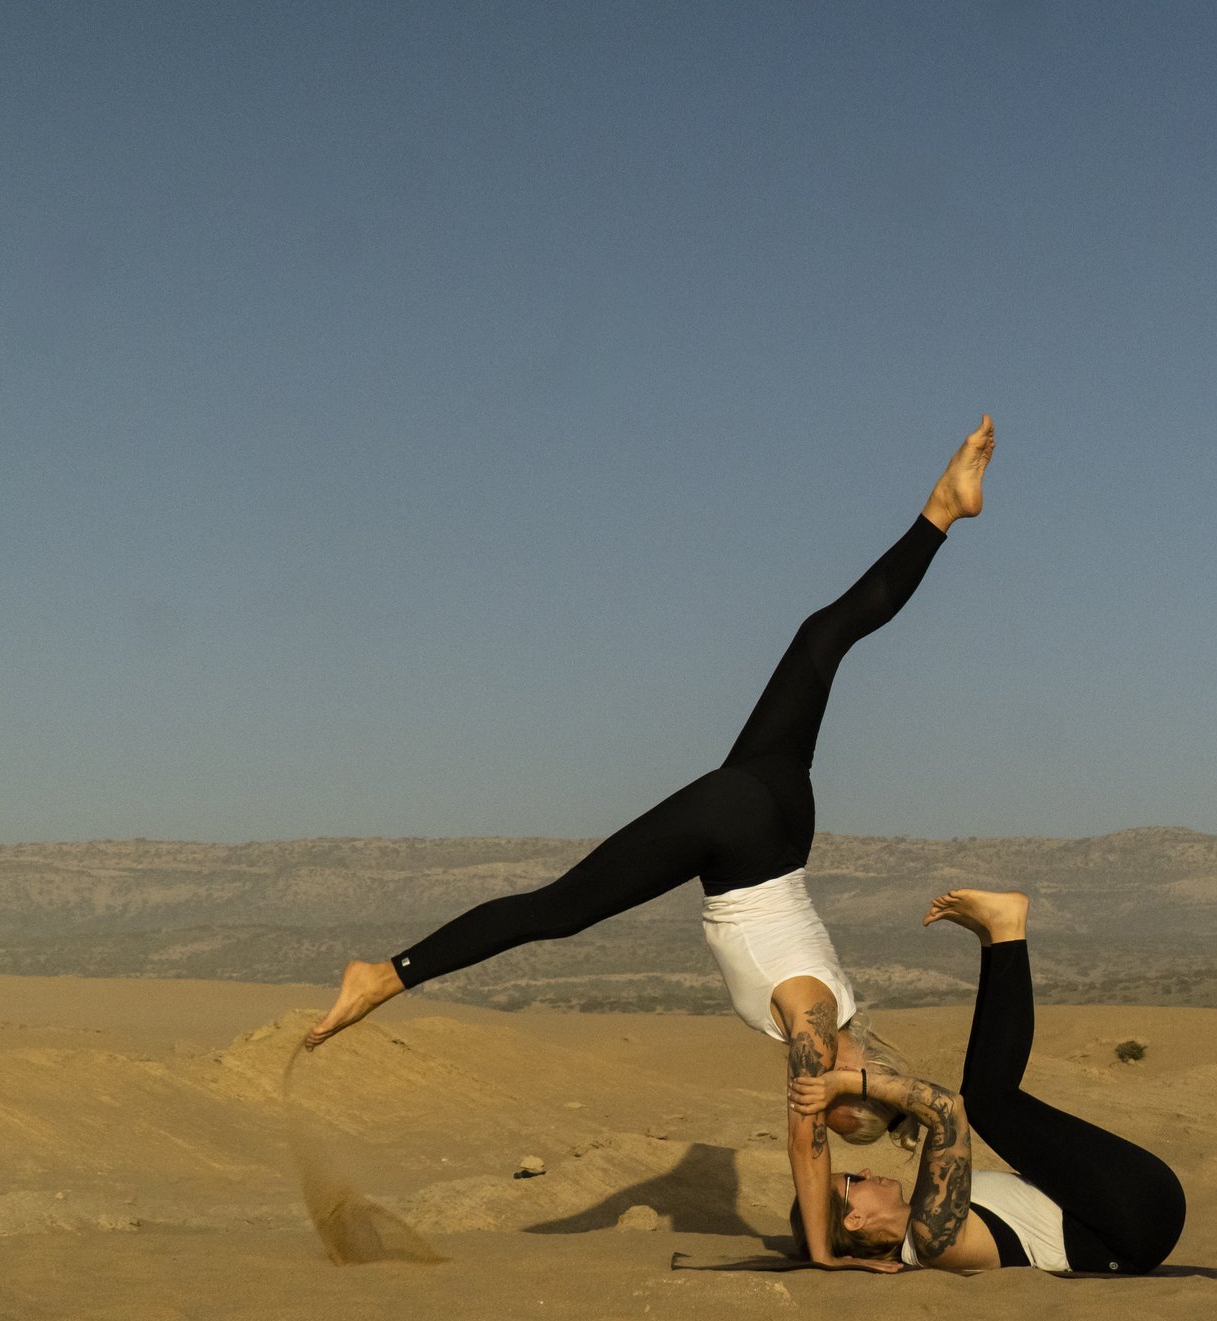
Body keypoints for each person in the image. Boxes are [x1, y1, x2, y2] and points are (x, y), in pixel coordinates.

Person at [301, 418, 997, 1270]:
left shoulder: (838, 1011)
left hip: (781, 816)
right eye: (841, 1119)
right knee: (557, 910)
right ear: (849, 1100)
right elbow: (804, 1139)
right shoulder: (815, 1023)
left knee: (825, 636)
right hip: (742, 837)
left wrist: (888, 1105)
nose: (820, 1111)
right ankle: (384, 975)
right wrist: (821, 1249)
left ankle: (941, 508)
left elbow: (856, 1110)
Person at [787, 889, 1186, 1274]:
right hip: (1132, 1225)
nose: (866, 1171)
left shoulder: (926, 1212)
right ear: (854, 1220)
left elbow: (946, 1109)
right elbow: (947, 1109)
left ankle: (995, 939)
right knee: (985, 1103)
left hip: (1127, 1206)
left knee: (985, 1100)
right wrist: (850, 1083)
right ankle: (1006, 931)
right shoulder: (930, 1241)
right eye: (853, 1181)